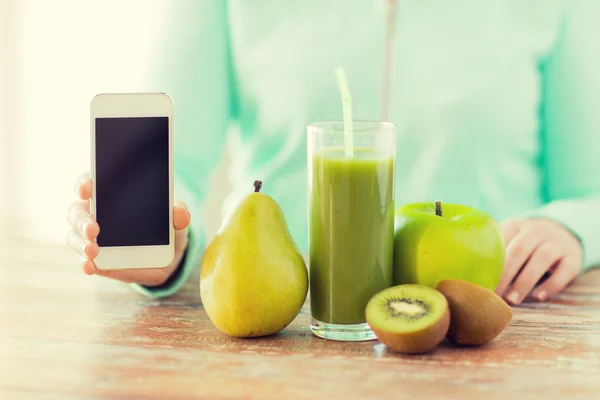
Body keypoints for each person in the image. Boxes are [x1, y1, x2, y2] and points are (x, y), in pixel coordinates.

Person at [66, 0, 600, 306]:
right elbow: (171, 166)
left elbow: (591, 192)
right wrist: (167, 244)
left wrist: (572, 228)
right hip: (279, 329)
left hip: (493, 323)